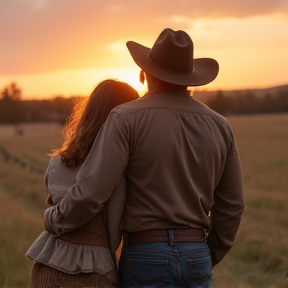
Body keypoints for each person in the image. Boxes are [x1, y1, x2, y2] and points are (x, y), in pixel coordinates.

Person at [44, 28, 245, 288]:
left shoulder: (125, 118)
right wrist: (207, 253)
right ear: (191, 78)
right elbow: (232, 205)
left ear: (143, 74)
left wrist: (55, 218)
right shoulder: (220, 126)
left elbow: (92, 191)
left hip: (145, 254)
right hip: (197, 254)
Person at [26, 79, 139, 288]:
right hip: (91, 269)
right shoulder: (118, 169)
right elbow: (115, 229)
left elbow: (52, 202)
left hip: (47, 262)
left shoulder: (57, 162)